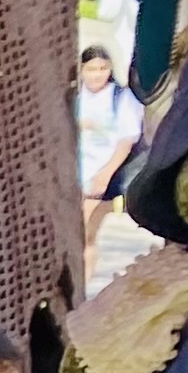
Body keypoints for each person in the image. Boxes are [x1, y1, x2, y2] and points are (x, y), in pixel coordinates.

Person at [76, 44, 142, 251]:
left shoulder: (122, 98)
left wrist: (105, 175)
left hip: (101, 177)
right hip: (73, 175)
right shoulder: (75, 97)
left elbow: (126, 141)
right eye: (91, 69)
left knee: (85, 237)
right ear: (81, 70)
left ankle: (81, 282)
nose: (97, 75)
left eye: (102, 69)